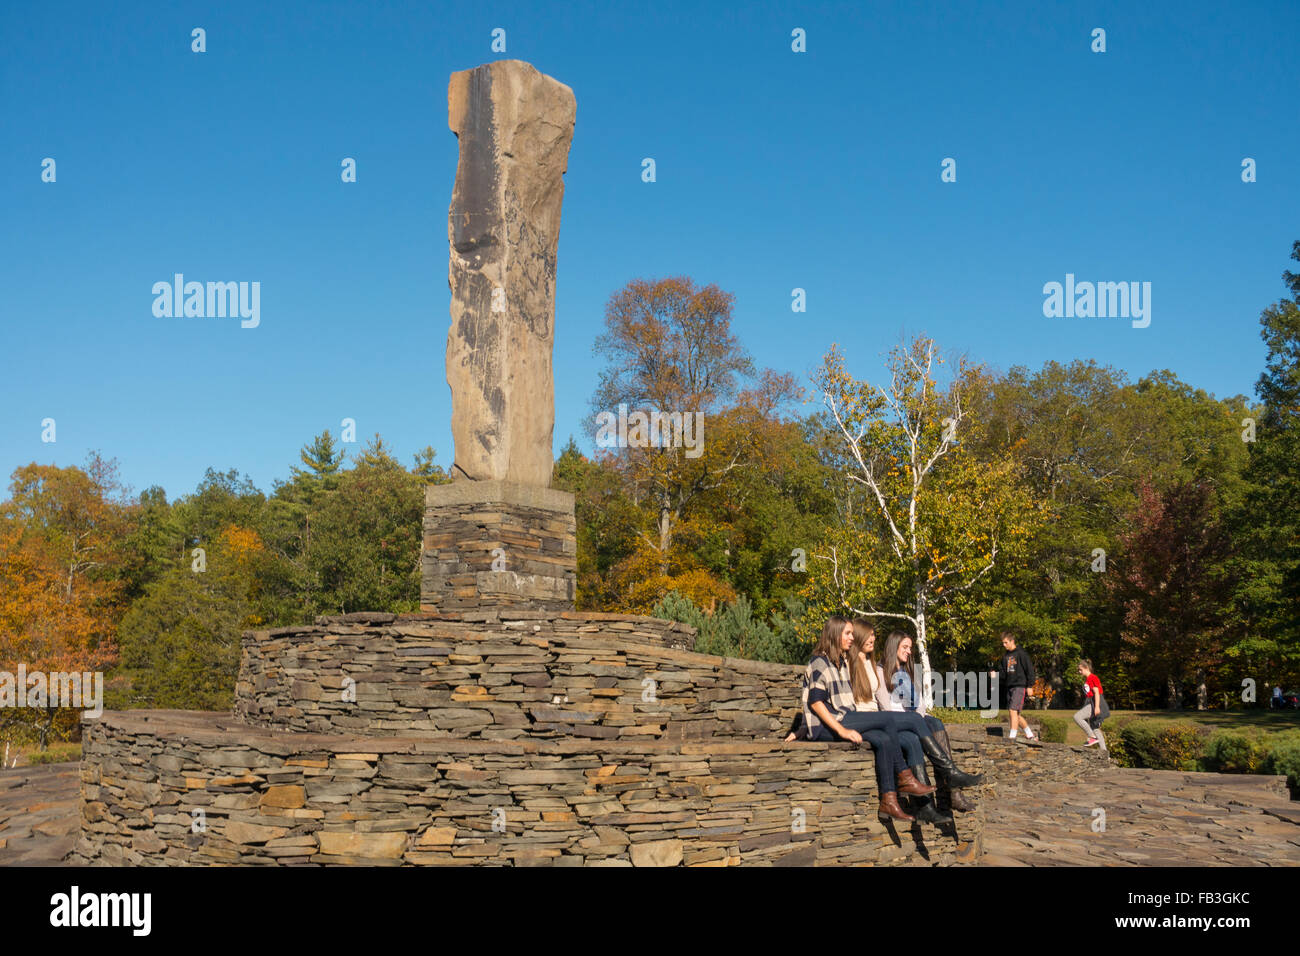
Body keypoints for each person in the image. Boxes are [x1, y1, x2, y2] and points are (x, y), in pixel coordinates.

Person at [799, 616, 935, 823]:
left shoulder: (839, 662)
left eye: (852, 633)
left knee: (883, 738)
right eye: (847, 633)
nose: (852, 637)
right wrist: (841, 731)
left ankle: (888, 801)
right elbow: (815, 703)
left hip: (846, 717)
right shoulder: (819, 661)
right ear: (834, 634)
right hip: (830, 725)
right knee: (896, 719)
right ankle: (905, 776)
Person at [873, 628, 976, 813]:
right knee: (922, 727)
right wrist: (913, 720)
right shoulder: (880, 671)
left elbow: (919, 702)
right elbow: (885, 707)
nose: (909, 651)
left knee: (935, 722)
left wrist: (919, 718)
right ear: (894, 647)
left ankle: (953, 791)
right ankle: (948, 788)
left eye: (910, 648)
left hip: (914, 719)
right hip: (894, 721)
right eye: (905, 647)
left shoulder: (907, 671)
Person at [992, 632, 1036, 740]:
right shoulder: (1005, 657)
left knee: (1013, 711)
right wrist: (995, 675)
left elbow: (1030, 670)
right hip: (1010, 687)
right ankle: (1030, 735)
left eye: (1006, 642)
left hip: (1019, 686)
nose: (1004, 645)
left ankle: (1012, 738)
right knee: (1016, 715)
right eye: (1003, 643)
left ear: (1012, 641)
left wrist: (1030, 686)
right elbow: (1003, 674)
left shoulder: (1021, 653)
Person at [1075, 659, 1108, 750]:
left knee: (1077, 717)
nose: (1079, 672)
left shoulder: (1092, 678)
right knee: (1094, 727)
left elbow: (1097, 693)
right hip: (1092, 703)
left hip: (1096, 703)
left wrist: (1097, 707)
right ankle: (1104, 753)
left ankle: (1092, 737)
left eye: (1080, 670)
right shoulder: (1088, 679)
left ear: (1086, 668)